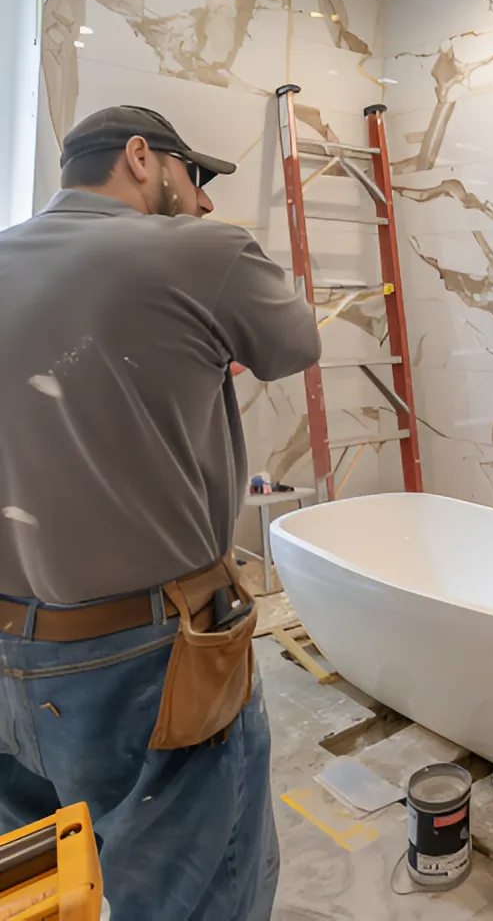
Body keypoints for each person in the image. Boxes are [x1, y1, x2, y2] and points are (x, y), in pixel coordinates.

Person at [0, 106, 321, 918]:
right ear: (143, 159)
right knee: (201, 889)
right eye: (196, 178)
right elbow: (295, 346)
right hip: (152, 657)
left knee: (47, 890)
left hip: (7, 656)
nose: (206, 202)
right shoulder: (201, 252)